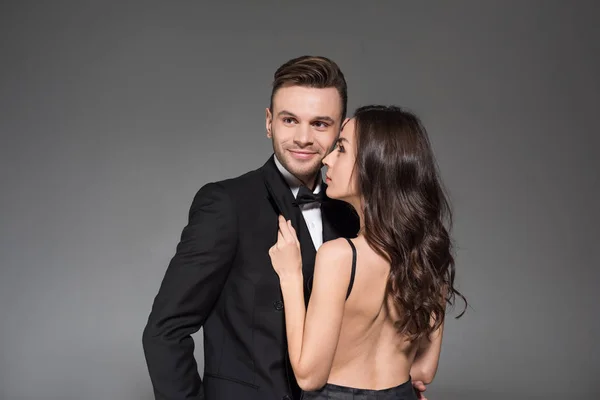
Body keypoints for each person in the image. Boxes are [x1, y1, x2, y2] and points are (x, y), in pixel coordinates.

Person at [142, 56, 429, 400]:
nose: (303, 138)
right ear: (269, 123)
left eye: (321, 124)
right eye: (290, 120)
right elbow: (165, 332)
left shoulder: (357, 214)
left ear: (342, 129)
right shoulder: (227, 205)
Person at [269, 105, 467, 399]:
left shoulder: (339, 256)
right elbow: (424, 370)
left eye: (342, 149)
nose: (327, 159)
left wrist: (290, 276)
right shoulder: (428, 256)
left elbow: (309, 376)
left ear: (374, 166)